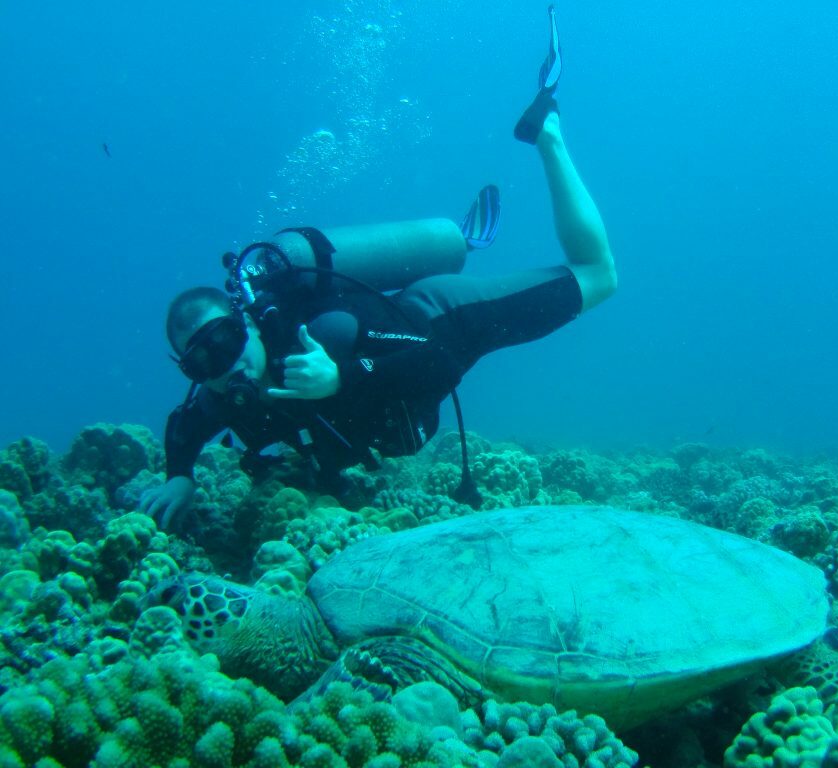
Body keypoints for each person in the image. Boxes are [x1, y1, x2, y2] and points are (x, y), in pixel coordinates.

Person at [141, 6, 617, 531]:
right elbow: (184, 426)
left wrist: (338, 378)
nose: (225, 365)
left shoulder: (321, 333)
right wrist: (179, 475)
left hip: (440, 317)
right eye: (200, 362)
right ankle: (459, 238)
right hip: (400, 379)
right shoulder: (223, 393)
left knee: (598, 276)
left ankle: (548, 134)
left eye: (226, 340)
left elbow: (437, 361)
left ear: (247, 321)